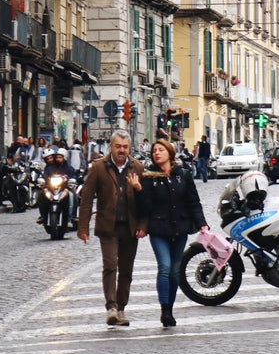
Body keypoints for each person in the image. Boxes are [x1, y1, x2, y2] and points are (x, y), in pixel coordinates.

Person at [77, 130, 148, 326]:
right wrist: (83, 227)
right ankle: (112, 307)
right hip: (108, 226)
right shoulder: (98, 167)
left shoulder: (138, 168)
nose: (122, 150)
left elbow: (145, 202)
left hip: (130, 227)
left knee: (126, 269)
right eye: (118, 146)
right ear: (111, 146)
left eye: (125, 147)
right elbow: (87, 199)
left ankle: (122, 308)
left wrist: (143, 225)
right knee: (110, 265)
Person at [134, 139, 207, 327]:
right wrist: (139, 190)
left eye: (161, 150)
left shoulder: (183, 174)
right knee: (165, 267)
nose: (157, 153)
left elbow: (193, 201)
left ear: (170, 153)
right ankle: (165, 310)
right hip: (159, 229)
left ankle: (170, 308)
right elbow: (144, 208)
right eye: (154, 150)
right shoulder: (148, 177)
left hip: (180, 228)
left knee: (175, 272)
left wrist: (202, 224)